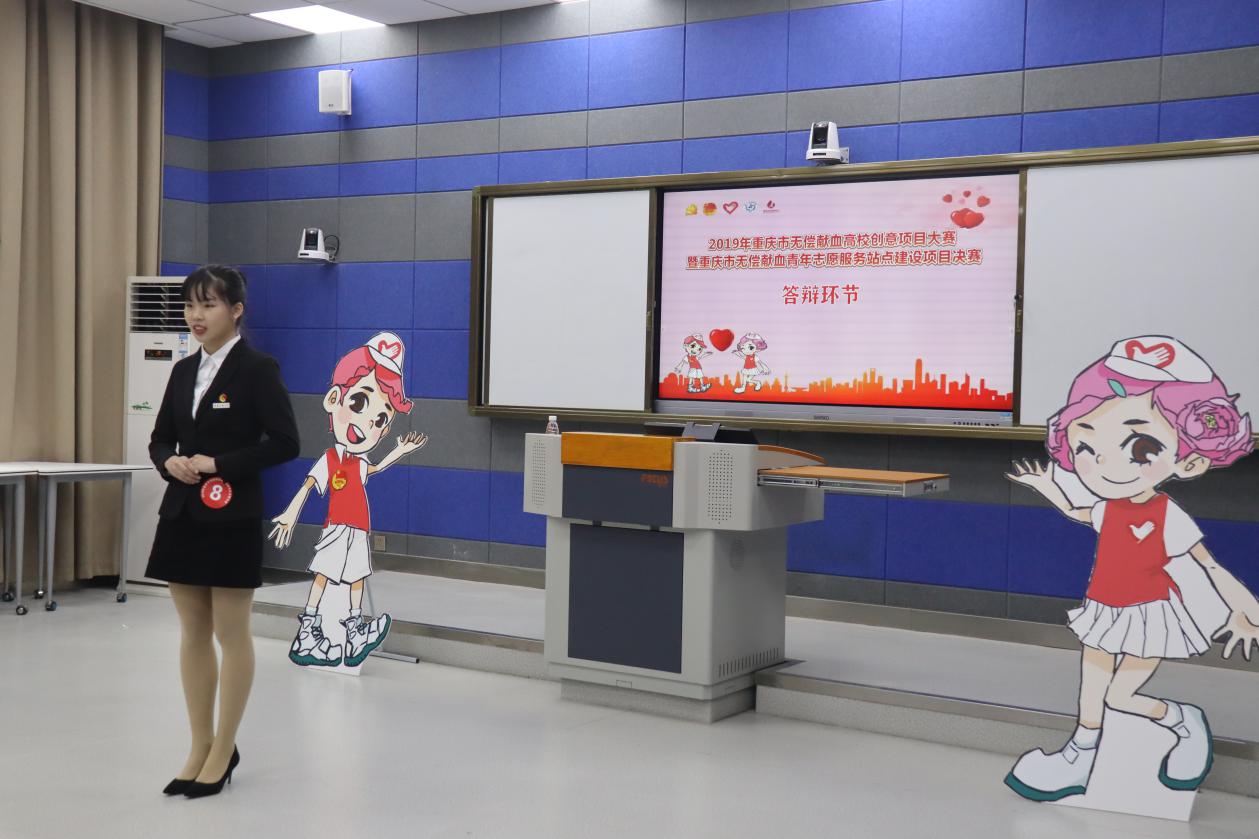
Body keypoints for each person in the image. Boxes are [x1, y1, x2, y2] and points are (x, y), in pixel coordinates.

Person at [1004, 336, 1258, 802]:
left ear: (1189, 459)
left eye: (1140, 447)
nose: (1103, 461)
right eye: (1085, 444)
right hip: (1104, 608)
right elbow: (1080, 512)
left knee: (1119, 697)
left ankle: (1182, 722)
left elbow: (1207, 564)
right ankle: (1080, 756)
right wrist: (1047, 488)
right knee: (1091, 688)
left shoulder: (1167, 514)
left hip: (1147, 614)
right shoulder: (1108, 508)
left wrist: (1244, 610)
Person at [145, 264, 300, 798]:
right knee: (192, 632)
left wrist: (218, 464)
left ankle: (224, 747)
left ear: (236, 310)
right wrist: (169, 462)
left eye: (208, 304)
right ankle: (200, 744)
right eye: (190, 305)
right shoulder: (182, 370)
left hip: (231, 517)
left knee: (231, 634)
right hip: (182, 514)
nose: (196, 315)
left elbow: (285, 442)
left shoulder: (258, 368)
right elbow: (160, 439)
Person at [269, 333, 426, 668]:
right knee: (324, 574)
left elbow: (377, 467)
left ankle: (354, 631)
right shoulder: (331, 459)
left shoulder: (359, 462)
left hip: (358, 528)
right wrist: (290, 513)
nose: (368, 423)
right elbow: (309, 485)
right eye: (358, 403)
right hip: (337, 527)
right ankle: (309, 629)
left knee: (356, 576)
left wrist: (400, 451)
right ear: (333, 399)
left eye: (380, 419)